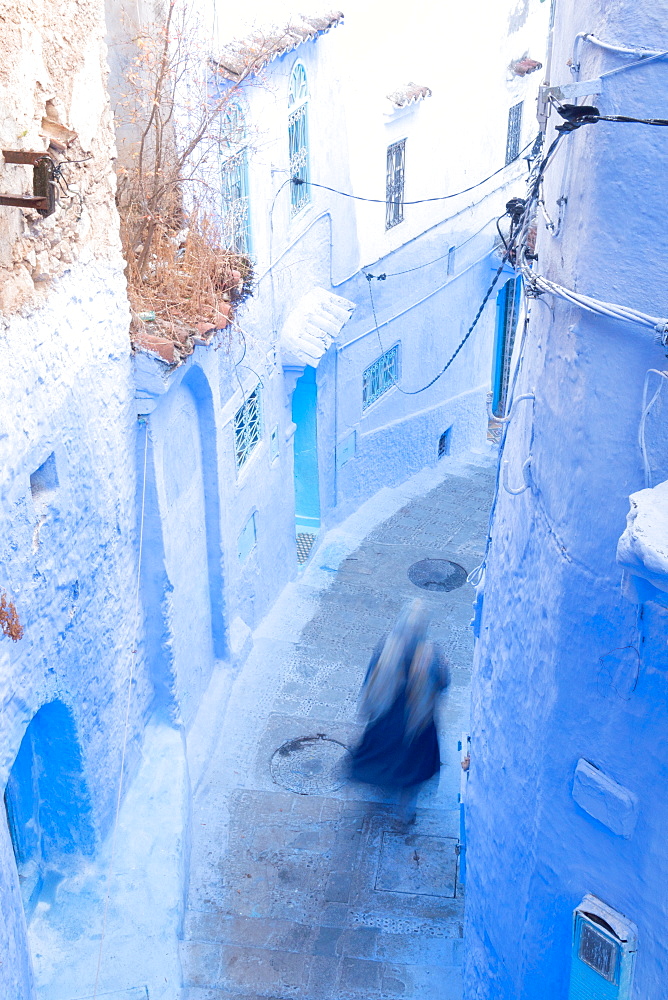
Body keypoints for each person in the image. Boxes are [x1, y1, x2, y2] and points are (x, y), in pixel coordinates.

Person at [349, 599, 450, 824]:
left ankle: (382, 783)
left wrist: (367, 705)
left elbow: (370, 677)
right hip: (416, 722)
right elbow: (443, 683)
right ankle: (406, 809)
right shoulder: (432, 655)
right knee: (413, 765)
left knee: (382, 755)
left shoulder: (386, 647)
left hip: (386, 718)